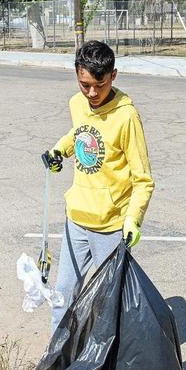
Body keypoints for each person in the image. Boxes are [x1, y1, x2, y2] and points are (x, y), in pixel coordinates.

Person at [42, 40, 155, 332]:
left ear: (113, 76)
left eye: (99, 85)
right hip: (77, 220)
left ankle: (105, 365)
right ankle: (56, 361)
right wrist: (59, 150)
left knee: (108, 305)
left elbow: (143, 179)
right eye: (84, 84)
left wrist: (133, 219)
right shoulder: (77, 104)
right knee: (63, 295)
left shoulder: (126, 116)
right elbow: (79, 132)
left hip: (111, 227)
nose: (92, 93)